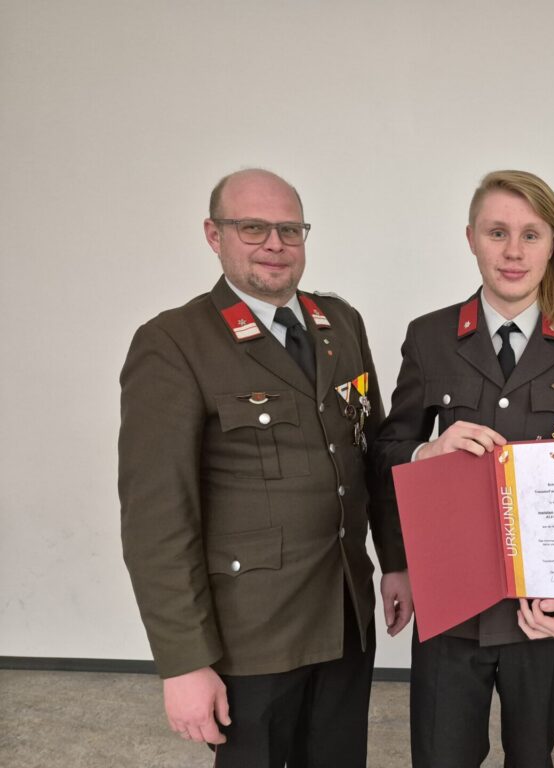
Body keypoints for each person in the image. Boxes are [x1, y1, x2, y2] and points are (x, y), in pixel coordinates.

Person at [118, 168, 412, 768]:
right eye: (253, 228)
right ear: (214, 235)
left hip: (344, 614)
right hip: (251, 634)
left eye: (289, 229)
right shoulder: (174, 342)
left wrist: (397, 561)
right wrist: (183, 662)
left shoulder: (340, 324)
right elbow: (157, 519)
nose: (275, 244)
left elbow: (371, 456)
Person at [373, 170, 554, 767]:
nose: (513, 251)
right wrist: (399, 556)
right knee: (441, 756)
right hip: (449, 596)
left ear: (553, 243)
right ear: (471, 238)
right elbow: (387, 451)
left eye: (530, 235)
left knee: (532, 756)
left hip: (544, 605)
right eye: (497, 232)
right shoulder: (431, 337)